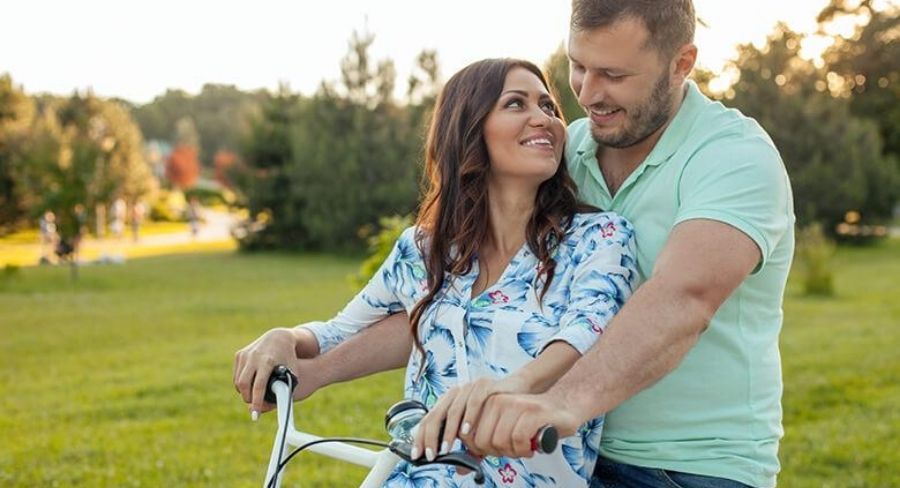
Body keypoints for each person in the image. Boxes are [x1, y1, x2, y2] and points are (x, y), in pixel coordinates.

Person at [236, 1, 795, 486]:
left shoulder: (732, 156)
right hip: (540, 454)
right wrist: (305, 353)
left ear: (682, 64)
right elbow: (451, 313)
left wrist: (553, 402)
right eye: (577, 67)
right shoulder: (566, 153)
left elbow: (682, 300)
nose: (587, 95)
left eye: (613, 75)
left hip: (684, 467)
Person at [234, 58, 639, 486]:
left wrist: (513, 386)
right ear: (469, 129)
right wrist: (285, 337)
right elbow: (340, 331)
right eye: (516, 104)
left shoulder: (599, 238)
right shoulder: (424, 249)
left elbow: (590, 329)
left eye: (549, 107)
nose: (544, 119)